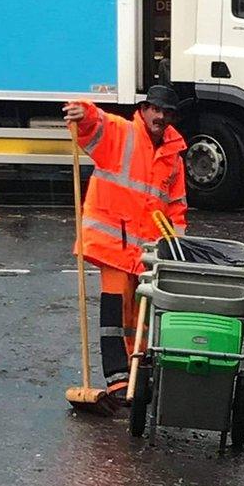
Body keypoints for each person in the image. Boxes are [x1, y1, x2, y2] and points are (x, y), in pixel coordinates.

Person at [63, 85, 188, 403]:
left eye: (167, 112)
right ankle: (119, 380)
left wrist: (176, 249)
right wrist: (82, 110)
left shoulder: (174, 157)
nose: (161, 117)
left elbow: (176, 207)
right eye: (156, 110)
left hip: (148, 250)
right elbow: (95, 122)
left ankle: (138, 376)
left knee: (140, 317)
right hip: (113, 242)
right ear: (144, 109)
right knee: (116, 311)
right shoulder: (123, 133)